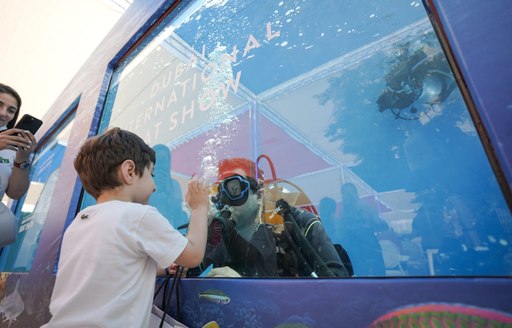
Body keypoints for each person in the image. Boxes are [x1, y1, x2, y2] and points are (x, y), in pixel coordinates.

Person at [41, 128, 209, 328]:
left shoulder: (81, 220)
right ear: (130, 171)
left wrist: (162, 269)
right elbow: (193, 256)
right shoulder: (139, 215)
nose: (154, 186)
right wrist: (199, 208)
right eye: (151, 174)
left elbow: (112, 267)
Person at [194, 157, 350, 278]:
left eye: (235, 189)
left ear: (260, 194)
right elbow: (189, 267)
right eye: (220, 192)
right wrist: (198, 229)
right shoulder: (221, 232)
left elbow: (337, 285)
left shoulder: (298, 224)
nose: (226, 200)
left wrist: (243, 286)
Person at [0, 83, 37, 200]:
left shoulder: (10, 147)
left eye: (11, 110)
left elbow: (15, 194)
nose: (3, 113)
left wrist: (23, 158)